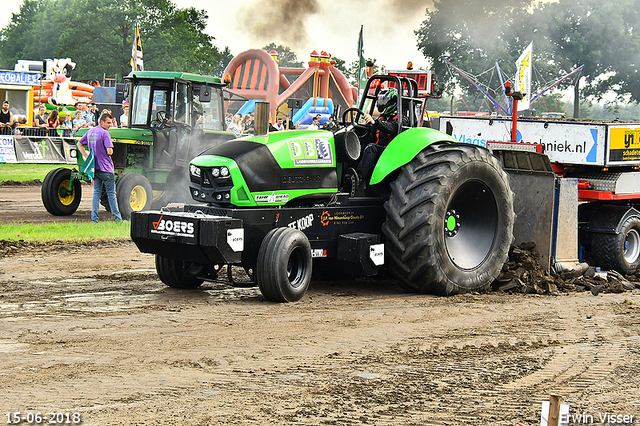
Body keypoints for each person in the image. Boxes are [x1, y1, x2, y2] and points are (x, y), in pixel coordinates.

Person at [353, 87, 408, 191]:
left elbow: (391, 128)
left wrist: (374, 122)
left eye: (385, 103)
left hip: (391, 153)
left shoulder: (402, 119)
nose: (383, 105)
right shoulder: (381, 118)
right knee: (357, 147)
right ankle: (349, 176)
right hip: (379, 150)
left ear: (393, 102)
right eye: (381, 102)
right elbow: (370, 137)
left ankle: (358, 179)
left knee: (371, 148)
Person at [77, 112, 122, 223]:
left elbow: (79, 144)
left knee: (96, 193)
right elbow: (110, 151)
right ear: (102, 121)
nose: (110, 125)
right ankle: (118, 219)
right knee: (111, 194)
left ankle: (94, 220)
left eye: (111, 123)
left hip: (94, 168)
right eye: (108, 123)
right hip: (106, 168)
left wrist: (86, 155)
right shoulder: (105, 133)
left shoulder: (91, 131)